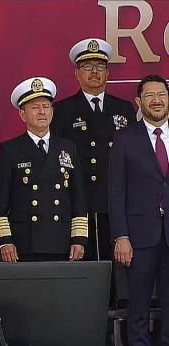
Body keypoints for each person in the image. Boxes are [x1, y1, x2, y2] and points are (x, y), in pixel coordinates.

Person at [109, 74, 169, 346]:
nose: (156, 100)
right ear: (139, 102)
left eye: (161, 94)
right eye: (149, 95)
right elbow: (116, 191)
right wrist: (121, 235)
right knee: (139, 309)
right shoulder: (126, 139)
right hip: (140, 237)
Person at [52, 38, 136, 261]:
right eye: (87, 67)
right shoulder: (62, 110)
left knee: (119, 271)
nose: (94, 73)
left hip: (117, 201)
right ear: (76, 74)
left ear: (108, 73)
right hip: (80, 201)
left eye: (99, 67)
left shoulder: (124, 108)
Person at [0, 77, 88, 262]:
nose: (42, 112)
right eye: (35, 107)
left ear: (52, 112)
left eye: (46, 106)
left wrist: (79, 238)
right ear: (22, 114)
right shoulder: (10, 149)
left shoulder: (68, 148)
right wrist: (4, 240)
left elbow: (79, 198)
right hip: (24, 243)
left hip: (62, 242)